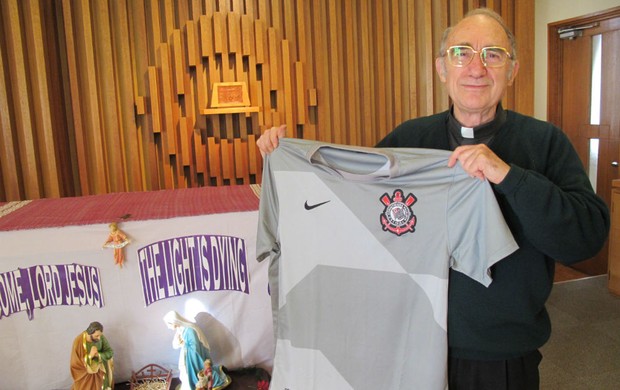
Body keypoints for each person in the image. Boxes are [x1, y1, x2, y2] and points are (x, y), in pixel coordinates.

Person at [256, 7, 610, 390]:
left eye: (493, 54)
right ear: (442, 68)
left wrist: (510, 177)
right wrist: (287, 165)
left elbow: (586, 238)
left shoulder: (544, 143)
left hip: (498, 356)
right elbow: (349, 207)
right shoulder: (409, 141)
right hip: (404, 345)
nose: (477, 68)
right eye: (462, 53)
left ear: (513, 70)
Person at [163, 311, 231, 390]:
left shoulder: (189, 330)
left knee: (196, 372)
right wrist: (180, 342)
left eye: (169, 324)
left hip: (193, 356)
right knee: (185, 371)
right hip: (187, 355)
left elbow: (194, 346)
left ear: (174, 321)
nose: (168, 327)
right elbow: (175, 345)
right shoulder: (180, 330)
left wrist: (184, 345)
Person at [70, 321, 115, 390]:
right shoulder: (78, 341)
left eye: (100, 335)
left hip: (100, 372)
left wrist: (99, 355)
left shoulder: (101, 337)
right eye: (96, 336)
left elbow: (110, 352)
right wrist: (90, 356)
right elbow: (75, 363)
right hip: (86, 376)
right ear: (90, 333)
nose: (99, 338)